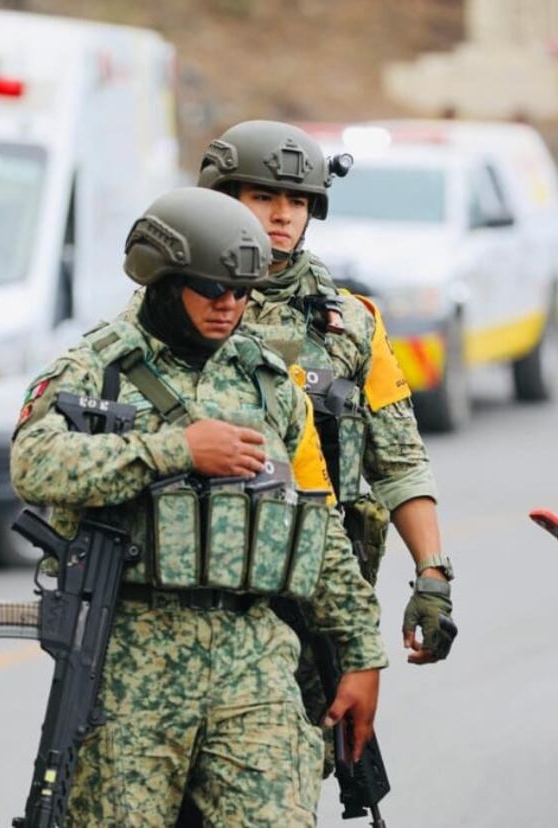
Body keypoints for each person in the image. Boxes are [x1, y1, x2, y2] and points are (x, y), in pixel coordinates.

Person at [11, 187, 387, 826]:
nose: (229, 306)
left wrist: (360, 651)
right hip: (132, 665)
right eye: (211, 288)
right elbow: (34, 463)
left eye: (241, 291)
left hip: (254, 663)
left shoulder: (268, 382)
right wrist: (172, 451)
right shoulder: (97, 368)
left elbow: (314, 525)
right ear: (164, 280)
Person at [195, 120, 455, 669]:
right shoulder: (179, 308)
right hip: (197, 594)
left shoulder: (353, 324)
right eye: (262, 196)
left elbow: (399, 462)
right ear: (224, 201)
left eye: (297, 200)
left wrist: (432, 575)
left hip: (319, 589)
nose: (282, 214)